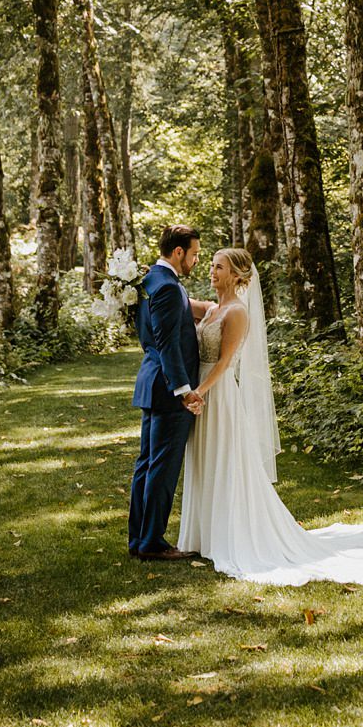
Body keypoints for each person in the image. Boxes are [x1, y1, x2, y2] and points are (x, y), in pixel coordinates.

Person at [176, 247, 363, 585]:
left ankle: (231, 536)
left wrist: (199, 392)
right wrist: (137, 285)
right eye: (211, 265)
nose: (212, 271)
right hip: (202, 396)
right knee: (205, 461)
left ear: (237, 275)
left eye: (219, 267)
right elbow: (177, 301)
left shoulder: (237, 313)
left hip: (217, 396)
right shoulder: (212, 309)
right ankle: (204, 537)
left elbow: (224, 363)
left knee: (225, 463)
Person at [126, 224, 210, 561]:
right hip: (168, 390)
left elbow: (149, 334)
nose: (196, 261)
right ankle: (152, 543)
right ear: (178, 252)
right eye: (194, 255)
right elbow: (167, 342)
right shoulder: (168, 288)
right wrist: (184, 389)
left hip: (153, 383)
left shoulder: (147, 282)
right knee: (161, 468)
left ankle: (140, 539)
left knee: (147, 465)